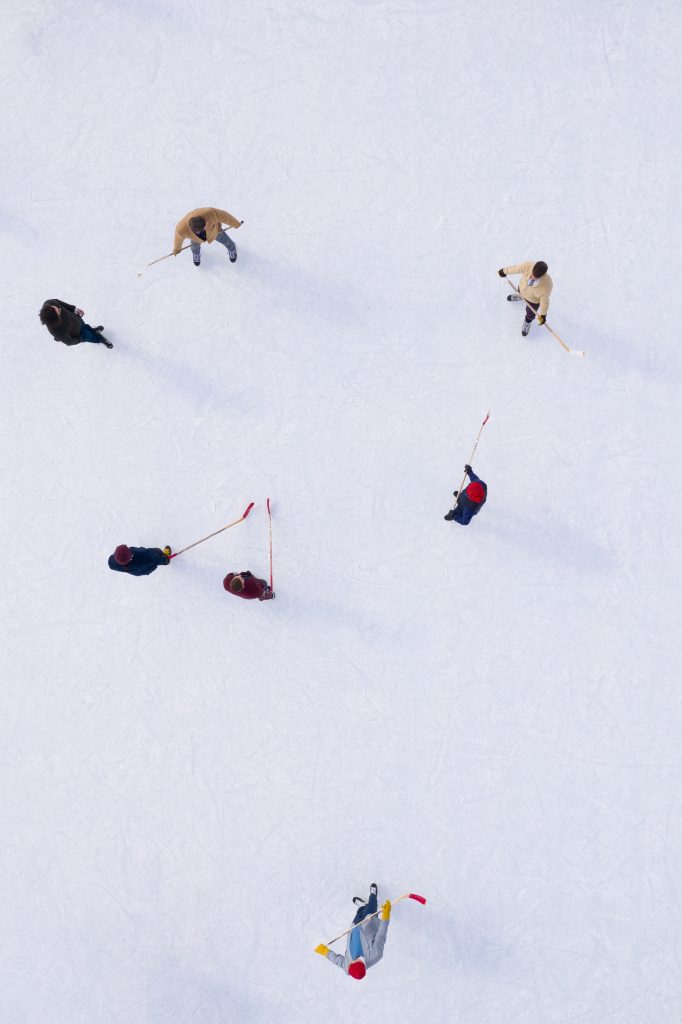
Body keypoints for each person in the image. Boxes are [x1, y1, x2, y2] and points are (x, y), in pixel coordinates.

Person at [315, 884, 390, 981]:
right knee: (371, 907)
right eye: (352, 963)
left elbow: (337, 960)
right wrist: (386, 915)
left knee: (360, 913)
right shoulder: (375, 955)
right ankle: (372, 896)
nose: (350, 962)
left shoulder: (348, 968)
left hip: (354, 927)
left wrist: (324, 951)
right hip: (369, 923)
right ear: (360, 963)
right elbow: (381, 934)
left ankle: (363, 906)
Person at [173, 206, 243, 267]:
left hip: (214, 230)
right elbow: (178, 239)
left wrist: (236, 223)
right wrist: (177, 249)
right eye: (205, 226)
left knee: (224, 239)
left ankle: (232, 248)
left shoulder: (209, 212)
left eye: (205, 222)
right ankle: (196, 254)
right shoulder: (181, 229)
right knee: (194, 246)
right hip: (195, 237)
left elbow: (224, 216)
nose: (207, 224)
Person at [498, 260, 553, 336]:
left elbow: (545, 301)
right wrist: (504, 271)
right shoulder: (528, 265)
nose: (532, 277)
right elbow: (515, 268)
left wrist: (543, 315)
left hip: (533, 300)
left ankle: (527, 322)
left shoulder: (547, 285)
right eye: (532, 274)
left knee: (530, 313)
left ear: (542, 276)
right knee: (520, 291)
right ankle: (520, 296)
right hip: (522, 289)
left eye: (535, 278)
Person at [39, 300, 113, 348]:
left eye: (55, 307)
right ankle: (99, 339)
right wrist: (81, 339)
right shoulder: (58, 331)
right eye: (58, 311)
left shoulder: (50, 303)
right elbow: (69, 341)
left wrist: (74, 309)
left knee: (85, 326)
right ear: (56, 319)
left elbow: (59, 303)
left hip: (75, 319)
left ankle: (91, 329)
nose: (59, 308)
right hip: (78, 333)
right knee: (89, 336)